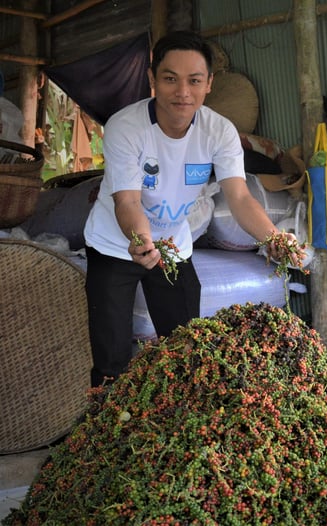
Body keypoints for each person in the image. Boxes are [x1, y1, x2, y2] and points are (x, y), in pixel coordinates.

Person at [84, 30, 300, 387]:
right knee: (112, 360)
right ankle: (108, 434)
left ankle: (174, 426)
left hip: (173, 248)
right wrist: (139, 239)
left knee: (185, 350)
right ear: (152, 79)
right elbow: (128, 200)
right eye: (170, 79)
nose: (183, 92)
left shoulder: (219, 132)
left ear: (209, 83)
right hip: (115, 244)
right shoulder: (126, 127)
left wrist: (275, 238)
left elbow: (241, 198)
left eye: (194, 81)